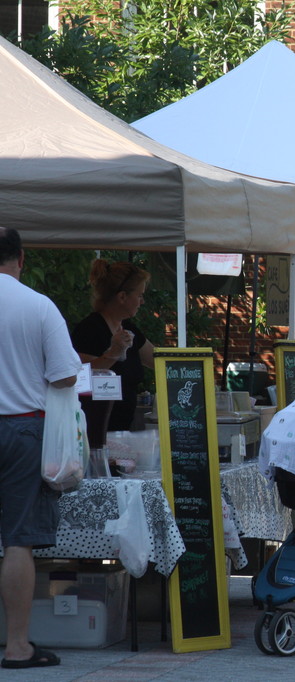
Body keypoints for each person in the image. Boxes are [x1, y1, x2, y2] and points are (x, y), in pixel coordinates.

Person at [0, 227, 81, 669]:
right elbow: (66, 375)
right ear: (21, 258)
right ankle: (16, 647)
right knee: (17, 541)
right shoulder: (38, 305)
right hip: (22, 429)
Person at [71, 259, 156, 434]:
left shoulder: (129, 329)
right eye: (139, 295)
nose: (142, 302)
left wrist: (189, 366)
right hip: (93, 433)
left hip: (122, 432)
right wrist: (112, 354)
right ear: (122, 297)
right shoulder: (90, 329)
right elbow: (78, 375)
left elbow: (159, 360)